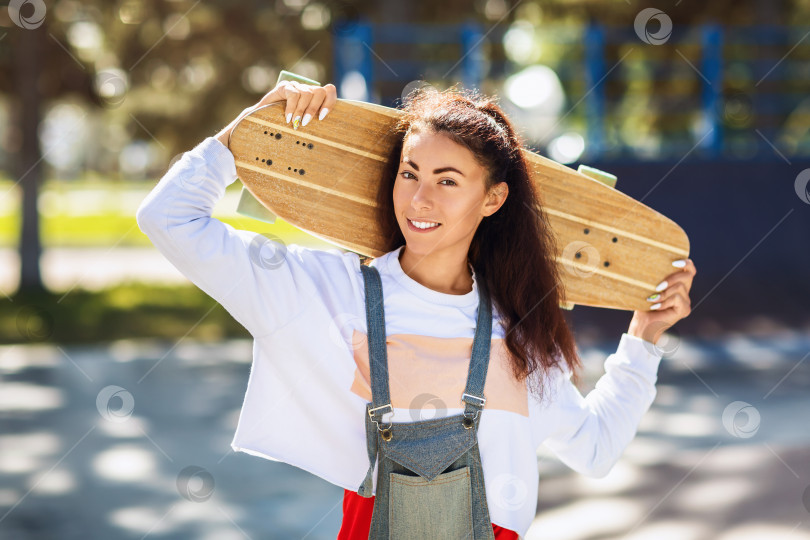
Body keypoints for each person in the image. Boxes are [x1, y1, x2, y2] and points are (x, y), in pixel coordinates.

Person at [136, 79, 696, 539]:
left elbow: (595, 449)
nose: (420, 200)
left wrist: (644, 336)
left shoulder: (518, 333)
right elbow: (170, 219)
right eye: (410, 173)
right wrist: (244, 136)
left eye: (447, 181)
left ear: (493, 199)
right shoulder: (325, 291)